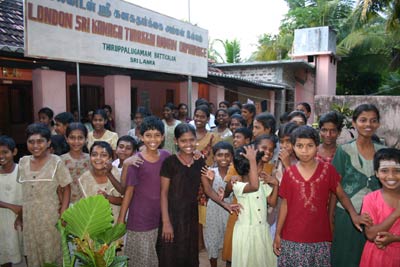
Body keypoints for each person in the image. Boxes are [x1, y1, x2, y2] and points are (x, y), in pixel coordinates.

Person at [273, 126, 372, 266]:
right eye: (299, 146)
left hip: (319, 240)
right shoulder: (289, 173)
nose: (304, 150)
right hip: (291, 239)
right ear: (293, 148)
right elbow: (284, 205)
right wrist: (278, 233)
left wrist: (354, 215)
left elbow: (342, 195)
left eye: (309, 146)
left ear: (317, 146)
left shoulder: (328, 170)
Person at [157, 123, 233, 267]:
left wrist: (225, 205)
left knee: (189, 253)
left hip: (191, 215)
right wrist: (166, 222)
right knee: (169, 255)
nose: (188, 144)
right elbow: (163, 193)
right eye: (183, 141)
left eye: (192, 140)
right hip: (171, 215)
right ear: (176, 141)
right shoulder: (169, 163)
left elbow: (207, 189)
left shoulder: (199, 161)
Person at [331, 104, 385, 267]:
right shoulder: (344, 150)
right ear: (354, 123)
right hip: (346, 215)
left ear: (378, 124)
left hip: (376, 217)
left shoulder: (383, 151)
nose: (368, 124)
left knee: (372, 259)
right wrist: (332, 218)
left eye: (373, 121)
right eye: (363, 120)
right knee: (345, 259)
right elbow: (335, 185)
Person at [117, 116, 170, 267]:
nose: (153, 139)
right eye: (148, 135)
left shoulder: (166, 156)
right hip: (139, 219)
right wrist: (121, 219)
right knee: (142, 259)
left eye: (157, 135)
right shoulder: (136, 161)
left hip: (159, 217)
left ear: (163, 136)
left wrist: (196, 154)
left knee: (155, 256)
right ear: (141, 137)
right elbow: (128, 191)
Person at [18, 123, 72, 267]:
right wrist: (20, 215)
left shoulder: (56, 162)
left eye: (40, 141)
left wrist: (64, 211)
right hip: (30, 219)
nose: (35, 145)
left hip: (50, 217)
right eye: (31, 141)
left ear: (48, 142)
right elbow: (23, 191)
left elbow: (66, 187)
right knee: (33, 253)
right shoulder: (23, 162)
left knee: (52, 254)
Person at [230, 145, 279, 267]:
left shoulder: (262, 182)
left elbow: (272, 202)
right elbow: (254, 186)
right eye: (259, 165)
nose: (262, 168)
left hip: (261, 231)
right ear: (250, 167)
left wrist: (276, 185)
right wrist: (252, 160)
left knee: (262, 261)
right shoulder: (238, 185)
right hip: (246, 233)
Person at [359, 148, 400, 267]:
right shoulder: (370, 199)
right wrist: (396, 214)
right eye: (384, 171)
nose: (391, 176)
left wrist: (395, 238)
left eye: (397, 170)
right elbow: (371, 234)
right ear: (376, 173)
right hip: (376, 258)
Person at [222, 127, 252, 266]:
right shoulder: (234, 162)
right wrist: (233, 181)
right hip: (237, 210)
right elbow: (227, 191)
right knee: (233, 247)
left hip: (254, 215)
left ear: (248, 140)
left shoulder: (260, 163)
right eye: (234, 137)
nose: (234, 140)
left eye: (238, 137)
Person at [203, 141, 234, 267]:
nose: (224, 158)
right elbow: (208, 192)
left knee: (230, 239)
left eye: (227, 155)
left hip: (231, 209)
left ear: (232, 157)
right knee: (212, 239)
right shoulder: (208, 171)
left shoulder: (236, 172)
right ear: (214, 157)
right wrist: (210, 180)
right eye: (220, 155)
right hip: (213, 210)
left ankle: (229, 263)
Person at [79, 141, 122, 223]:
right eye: (94, 154)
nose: (98, 158)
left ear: (110, 158)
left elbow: (123, 200)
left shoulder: (117, 174)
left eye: (104, 155)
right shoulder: (84, 179)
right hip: (92, 225)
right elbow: (83, 205)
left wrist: (107, 197)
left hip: (115, 225)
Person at [0, 136, 23, 266]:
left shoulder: (22, 170)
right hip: (2, 220)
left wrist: (20, 212)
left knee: (19, 250)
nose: (1, 156)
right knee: (4, 253)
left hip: (18, 220)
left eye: (5, 152)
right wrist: (12, 207)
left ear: (14, 152)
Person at [61, 122, 90, 204]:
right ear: (66, 138)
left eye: (80, 138)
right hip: (67, 205)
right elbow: (58, 188)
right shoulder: (60, 161)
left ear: (86, 139)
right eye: (72, 138)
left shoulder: (92, 160)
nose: (76, 141)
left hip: (88, 205)